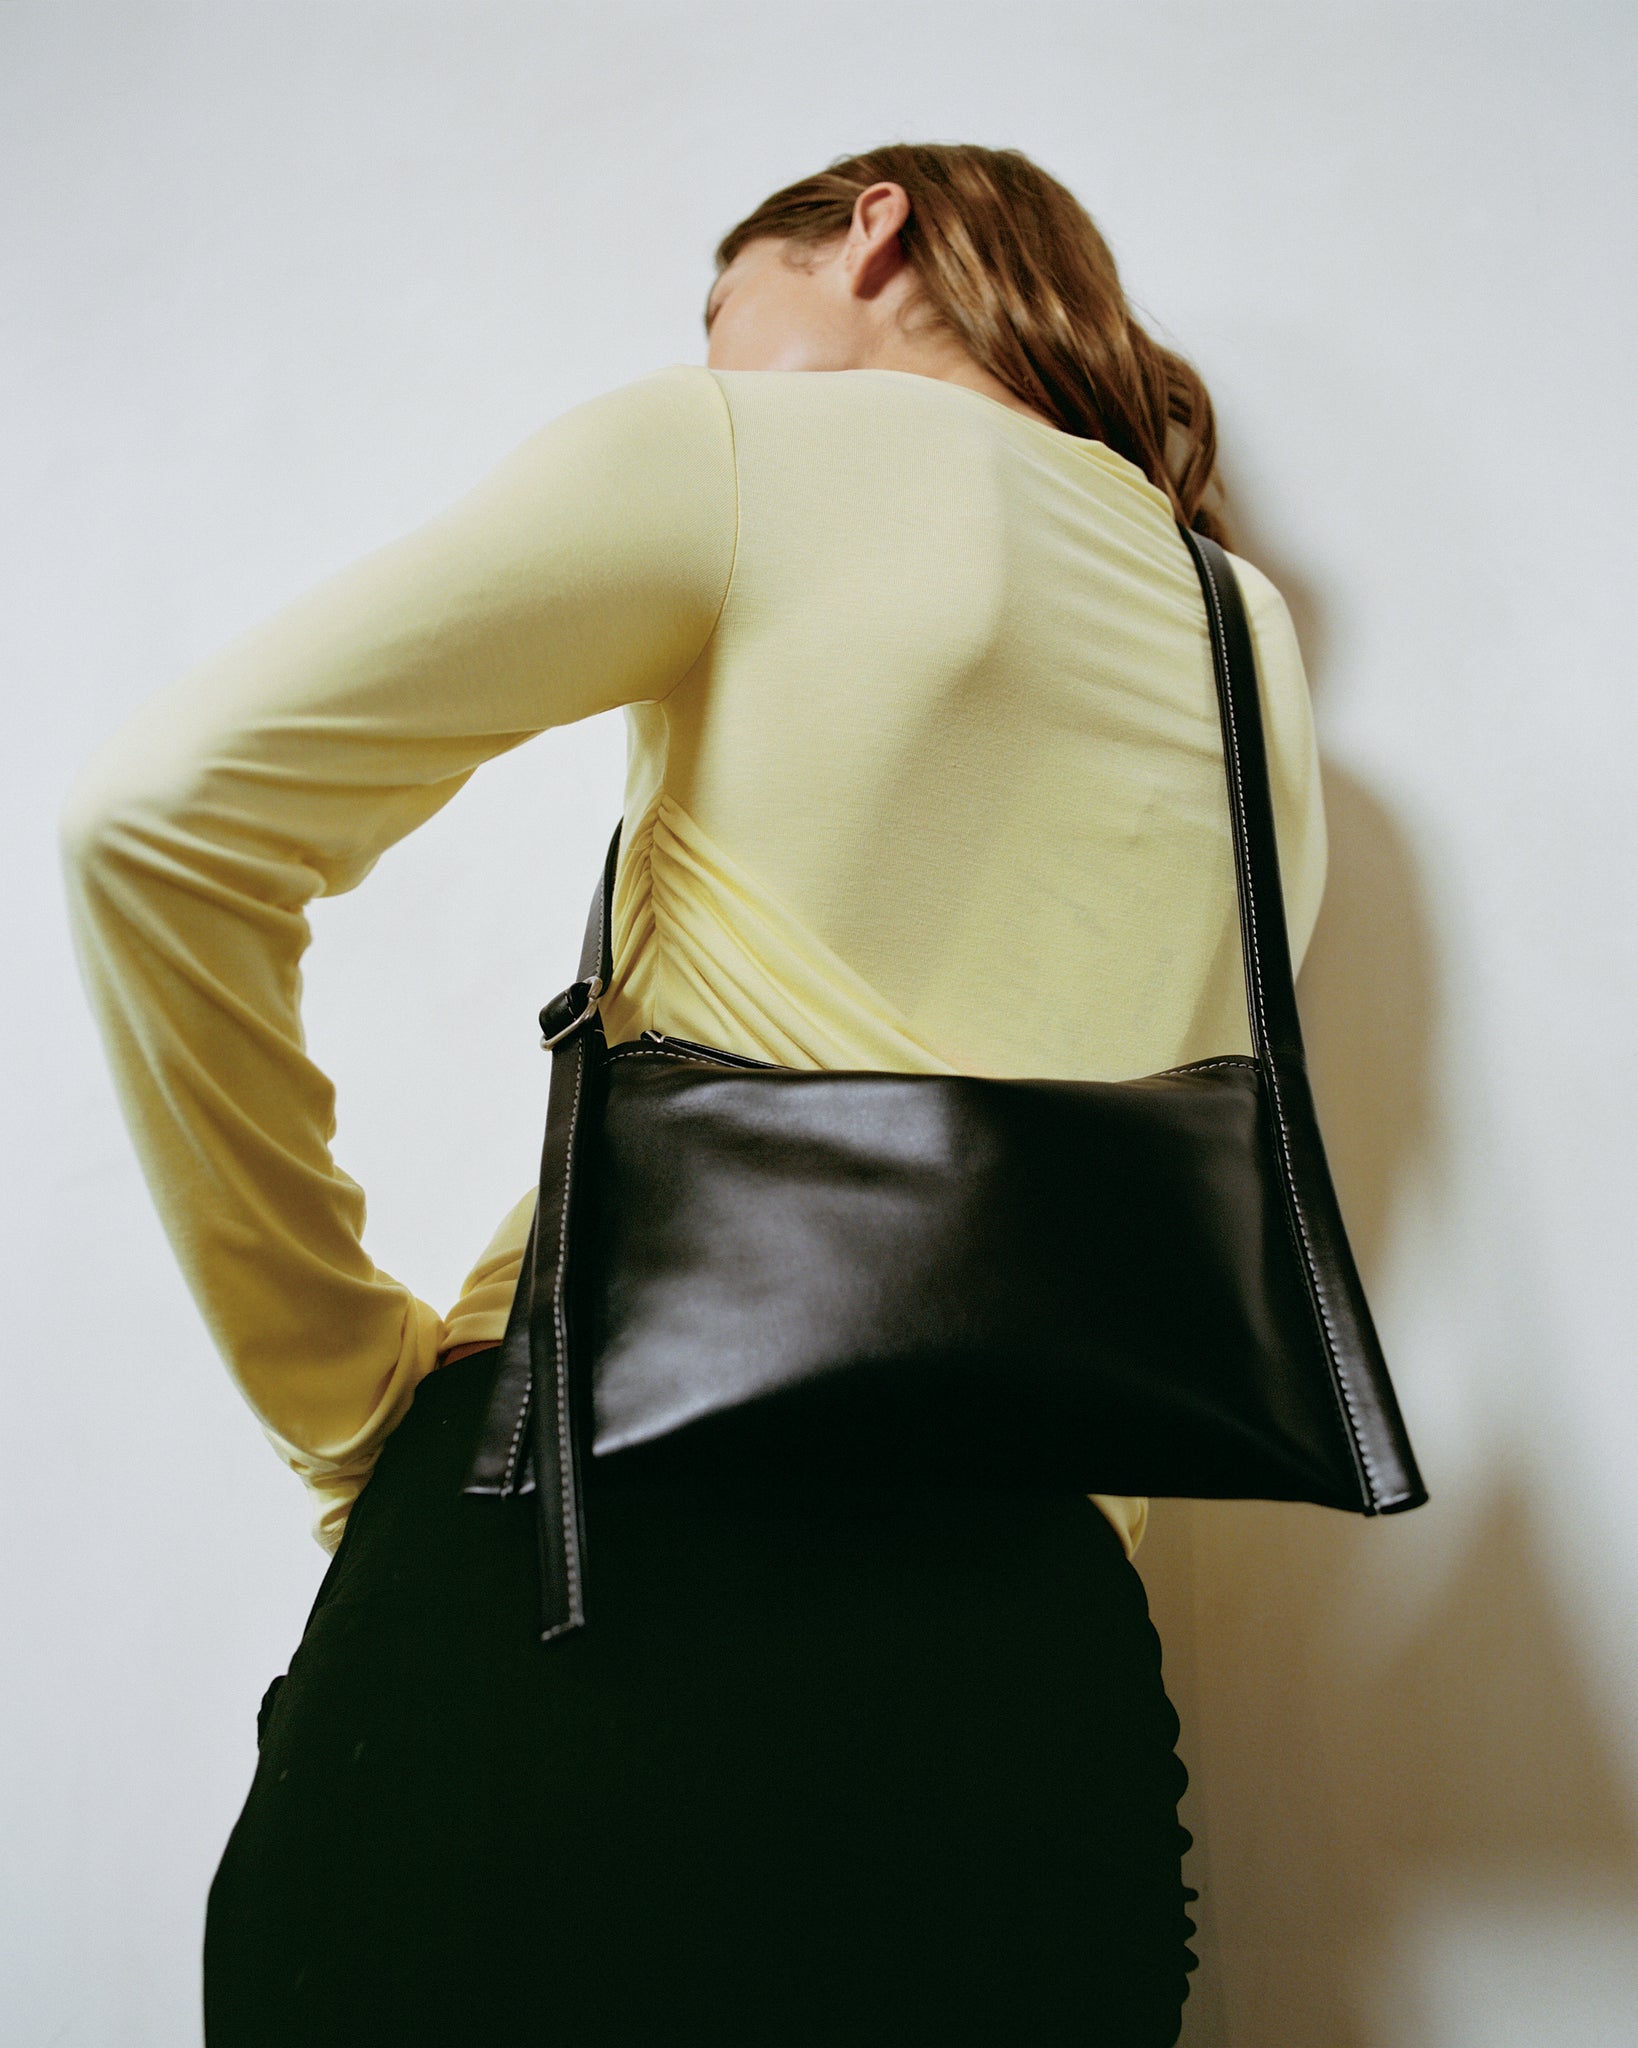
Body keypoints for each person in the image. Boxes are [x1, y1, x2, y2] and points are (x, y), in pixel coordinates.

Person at [61, 143, 1327, 2046]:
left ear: (874, 229)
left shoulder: (737, 451)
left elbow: (158, 825)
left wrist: (343, 1403)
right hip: (1032, 1680)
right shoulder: (1248, 641)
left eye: (724, 305)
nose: (716, 356)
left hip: (596, 1552)